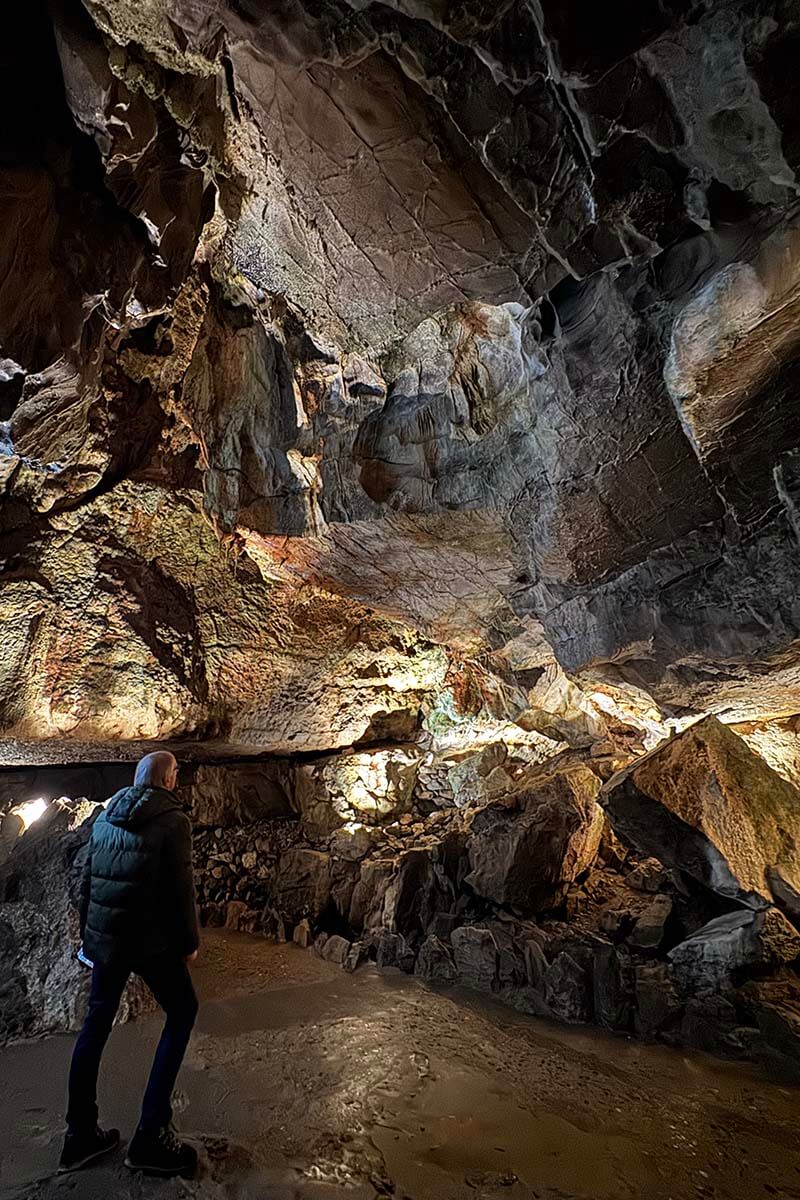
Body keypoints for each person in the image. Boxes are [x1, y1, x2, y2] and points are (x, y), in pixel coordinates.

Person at [60, 750, 200, 1178]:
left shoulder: (104, 818)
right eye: (175, 773)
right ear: (166, 780)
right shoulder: (174, 821)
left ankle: (79, 1134)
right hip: (150, 941)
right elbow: (181, 890)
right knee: (183, 1011)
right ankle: (151, 1135)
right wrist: (188, 944)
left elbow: (85, 879)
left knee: (95, 1024)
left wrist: (89, 937)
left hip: (108, 940)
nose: (177, 780)